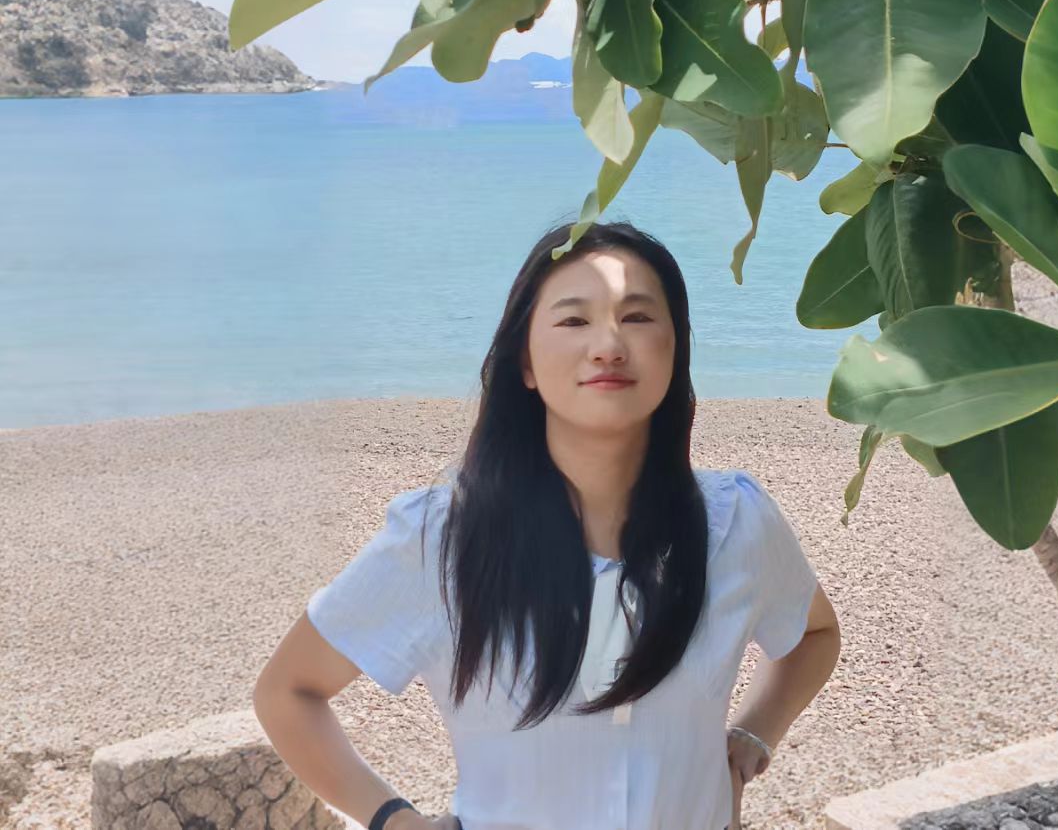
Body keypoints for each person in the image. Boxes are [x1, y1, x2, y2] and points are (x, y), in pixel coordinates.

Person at [253, 218, 841, 830]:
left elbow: (816, 635)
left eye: (638, 316)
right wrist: (395, 821)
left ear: (675, 350)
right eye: (573, 320)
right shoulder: (442, 539)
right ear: (526, 363)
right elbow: (288, 691)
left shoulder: (735, 522)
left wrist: (754, 733)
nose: (608, 344)